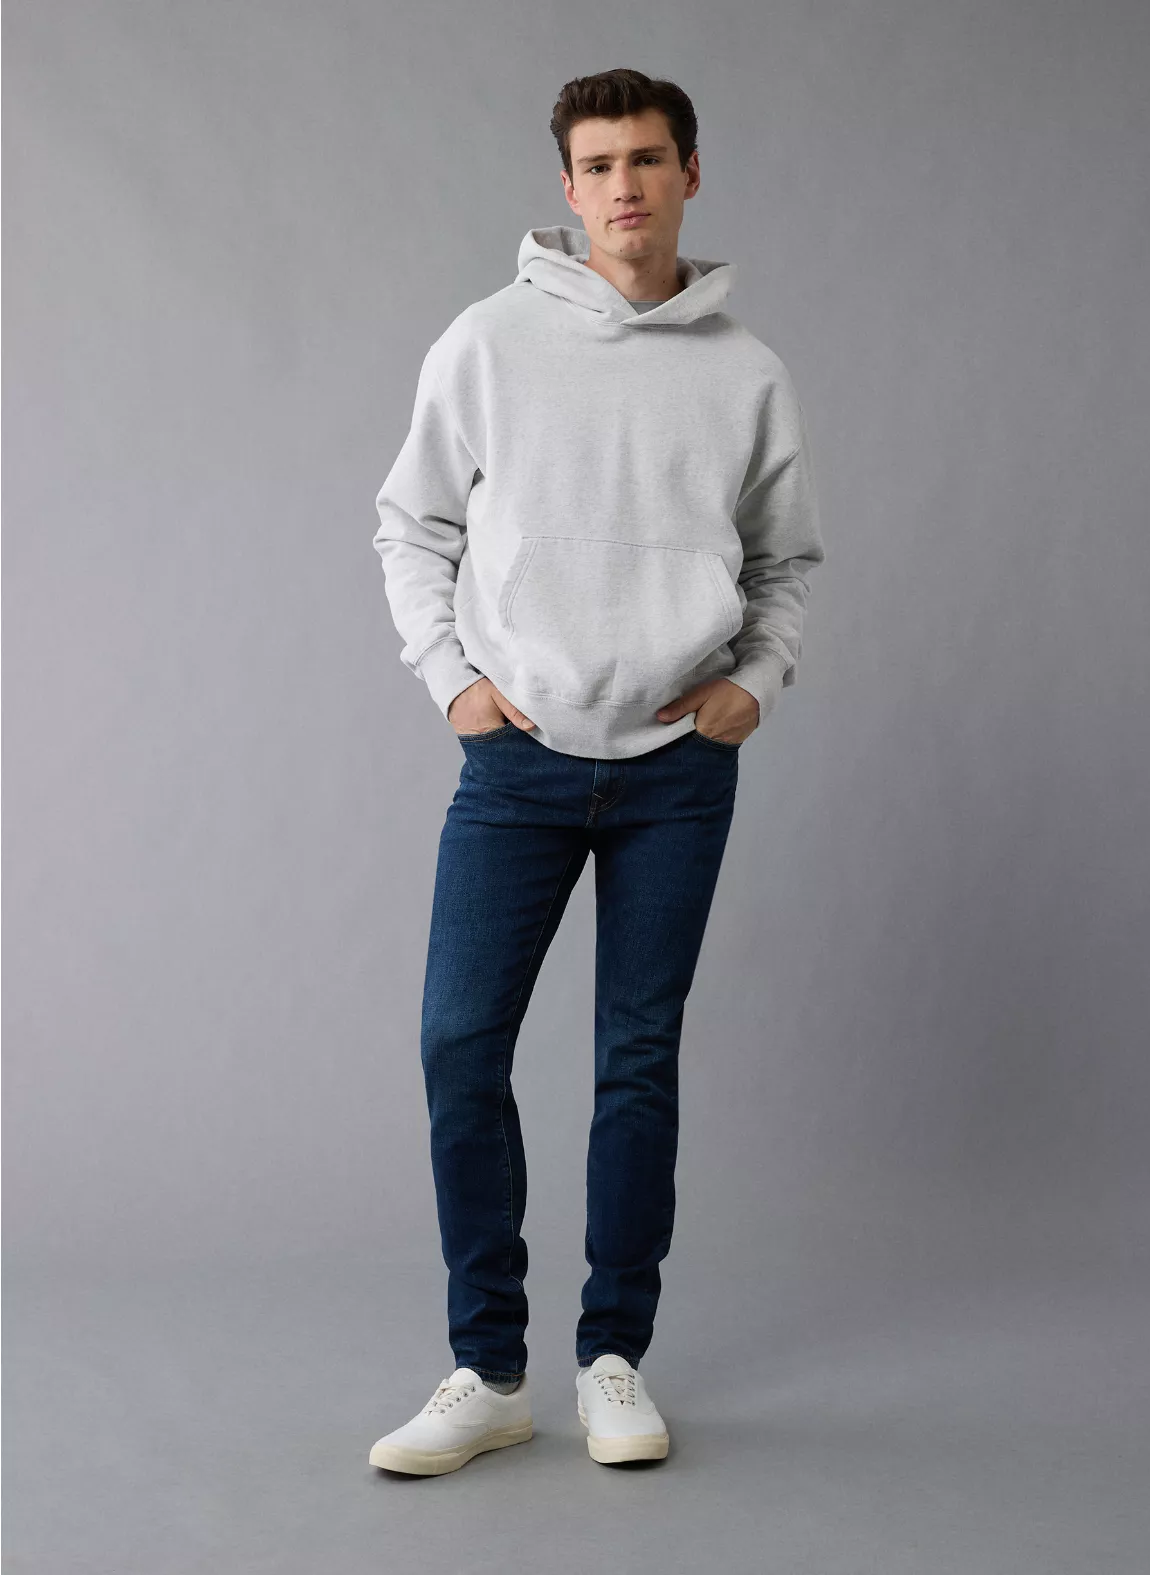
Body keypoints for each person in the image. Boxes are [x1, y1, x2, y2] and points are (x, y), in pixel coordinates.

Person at [367, 67, 825, 1476]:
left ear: (690, 173)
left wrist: (756, 681)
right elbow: (410, 524)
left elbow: (785, 561)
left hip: (678, 767)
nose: (625, 186)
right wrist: (453, 680)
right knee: (460, 1043)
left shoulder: (745, 372)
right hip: (517, 762)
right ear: (566, 190)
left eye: (648, 159)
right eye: (600, 165)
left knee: (635, 1058)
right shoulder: (489, 342)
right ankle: (489, 1369)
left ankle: (611, 1356)